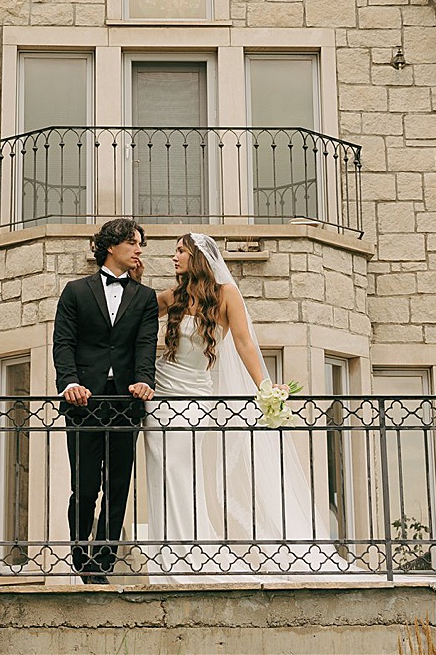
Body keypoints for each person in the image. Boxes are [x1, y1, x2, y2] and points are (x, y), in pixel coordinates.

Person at [140, 232, 336, 580]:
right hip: (161, 396)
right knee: (161, 475)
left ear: (198, 257)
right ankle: (168, 558)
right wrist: (134, 279)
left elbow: (244, 343)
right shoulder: (175, 296)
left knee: (184, 474)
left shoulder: (226, 295)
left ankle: (196, 554)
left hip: (193, 397)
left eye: (180, 251)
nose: (174, 257)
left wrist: (264, 385)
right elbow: (135, 309)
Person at [51, 217, 158, 583]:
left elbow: (145, 345)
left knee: (118, 486)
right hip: (84, 401)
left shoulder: (144, 298)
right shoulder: (75, 291)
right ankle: (81, 556)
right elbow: (63, 343)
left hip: (125, 401)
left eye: (140, 244)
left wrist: (145, 380)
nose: (138, 250)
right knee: (84, 485)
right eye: (133, 242)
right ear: (111, 246)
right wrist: (69, 384)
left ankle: (103, 563)